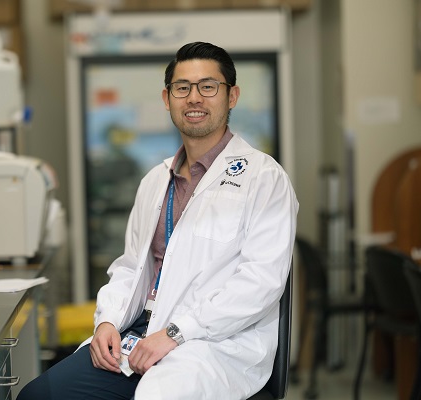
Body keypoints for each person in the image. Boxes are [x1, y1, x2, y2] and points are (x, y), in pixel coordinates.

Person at [17, 41, 298, 400]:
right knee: (40, 395)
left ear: (232, 96)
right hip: (140, 331)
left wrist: (177, 332)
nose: (194, 98)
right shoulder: (154, 180)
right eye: (182, 88)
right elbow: (130, 267)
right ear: (168, 99)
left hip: (212, 342)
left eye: (208, 86)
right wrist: (107, 320)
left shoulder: (264, 178)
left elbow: (261, 282)